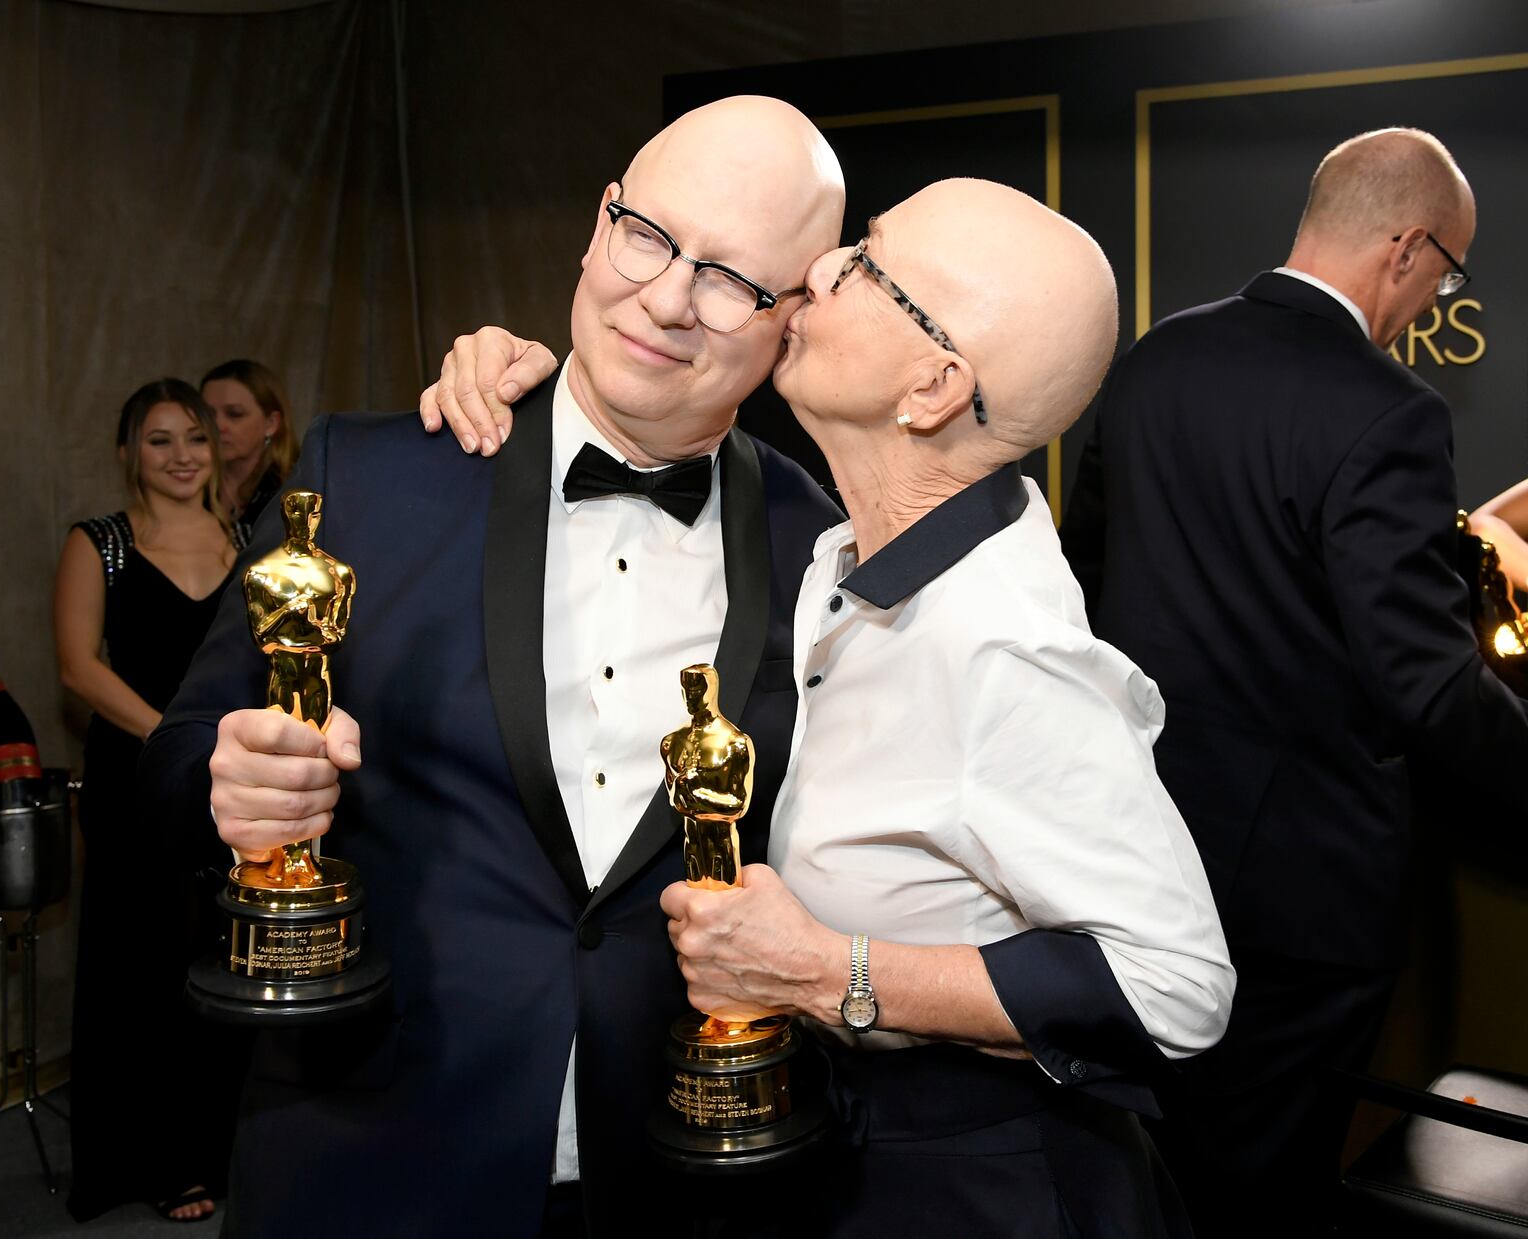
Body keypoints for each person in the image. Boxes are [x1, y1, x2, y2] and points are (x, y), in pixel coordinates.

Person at [468, 179, 1236, 1237]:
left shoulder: (998, 644)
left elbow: (1177, 986)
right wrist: (530, 378)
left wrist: (829, 972)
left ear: (929, 387)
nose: (820, 269)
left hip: (986, 1195)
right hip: (852, 1166)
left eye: (866, 262)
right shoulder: (845, 549)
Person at [141, 96, 845, 1238]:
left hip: (677, 1174)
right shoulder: (372, 475)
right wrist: (226, 786)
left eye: (730, 278)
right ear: (596, 223)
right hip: (372, 1154)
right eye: (649, 236)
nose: (665, 297)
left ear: (792, 318)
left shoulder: (819, 546)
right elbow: (175, 758)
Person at [1060, 127, 1528, 1237]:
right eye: (1447, 271)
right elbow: (1422, 684)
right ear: (1408, 249)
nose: (1432, 300)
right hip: (1302, 901)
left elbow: (1081, 582)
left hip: (1133, 851)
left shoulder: (1154, 359)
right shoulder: (1388, 410)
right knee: (1264, 1187)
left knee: (1155, 1166)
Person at [54, 379, 240, 1223]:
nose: (180, 456)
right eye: (159, 440)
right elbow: (78, 667)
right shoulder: (102, 544)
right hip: (136, 778)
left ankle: (225, 1145)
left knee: (226, 957)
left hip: (228, 779)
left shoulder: (245, 536)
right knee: (142, 963)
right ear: (130, 451)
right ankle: (152, 1160)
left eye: (194, 438)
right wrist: (175, 739)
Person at [200, 358, 299, 548]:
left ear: (271, 423)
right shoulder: (190, 485)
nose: (218, 426)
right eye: (208, 415)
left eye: (234, 414)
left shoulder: (292, 491)